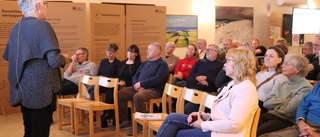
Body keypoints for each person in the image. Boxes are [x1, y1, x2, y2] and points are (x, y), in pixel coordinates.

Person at [156, 48, 258, 137]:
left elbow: (234, 124)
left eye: (228, 61)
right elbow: (221, 114)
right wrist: (203, 115)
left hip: (226, 134)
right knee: (172, 117)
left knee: (178, 134)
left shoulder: (246, 88)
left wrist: (202, 124)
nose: (224, 65)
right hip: (217, 128)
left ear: (240, 64)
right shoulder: (233, 84)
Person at [2, 0, 69, 136]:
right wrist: (66, 58)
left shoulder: (16, 27)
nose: (45, 8)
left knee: (29, 130)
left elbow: (11, 57)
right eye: (45, 4)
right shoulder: (42, 26)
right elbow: (54, 60)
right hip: (42, 91)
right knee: (41, 132)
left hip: (23, 90)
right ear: (38, 6)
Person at [117, 43, 169, 136]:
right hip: (138, 88)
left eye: (150, 50)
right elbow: (135, 76)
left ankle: (139, 125)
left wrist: (142, 84)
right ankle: (125, 121)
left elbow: (158, 79)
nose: (147, 51)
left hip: (154, 90)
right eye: (147, 49)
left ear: (157, 52)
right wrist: (136, 84)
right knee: (119, 94)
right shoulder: (145, 63)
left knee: (138, 96)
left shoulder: (162, 64)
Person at [257, 53, 312, 136]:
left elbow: (289, 111)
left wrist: (275, 104)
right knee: (246, 128)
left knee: (256, 133)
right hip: (270, 115)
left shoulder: (305, 87)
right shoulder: (281, 84)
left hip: (286, 120)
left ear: (297, 69)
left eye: (287, 64)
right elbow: (266, 103)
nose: (282, 66)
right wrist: (286, 101)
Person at [185, 44, 224, 114]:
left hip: (209, 85)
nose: (207, 51)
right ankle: (193, 100)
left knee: (189, 105)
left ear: (216, 52)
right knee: (190, 80)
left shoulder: (221, 64)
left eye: (210, 50)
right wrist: (199, 78)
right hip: (196, 83)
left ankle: (193, 101)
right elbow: (191, 73)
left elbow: (219, 80)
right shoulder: (200, 62)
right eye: (207, 50)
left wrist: (207, 79)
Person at [256, 47, 287, 113]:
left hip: (264, 107)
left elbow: (275, 99)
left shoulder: (281, 77)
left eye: (271, 56)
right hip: (253, 101)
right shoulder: (260, 73)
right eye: (266, 55)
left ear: (279, 60)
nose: (267, 58)